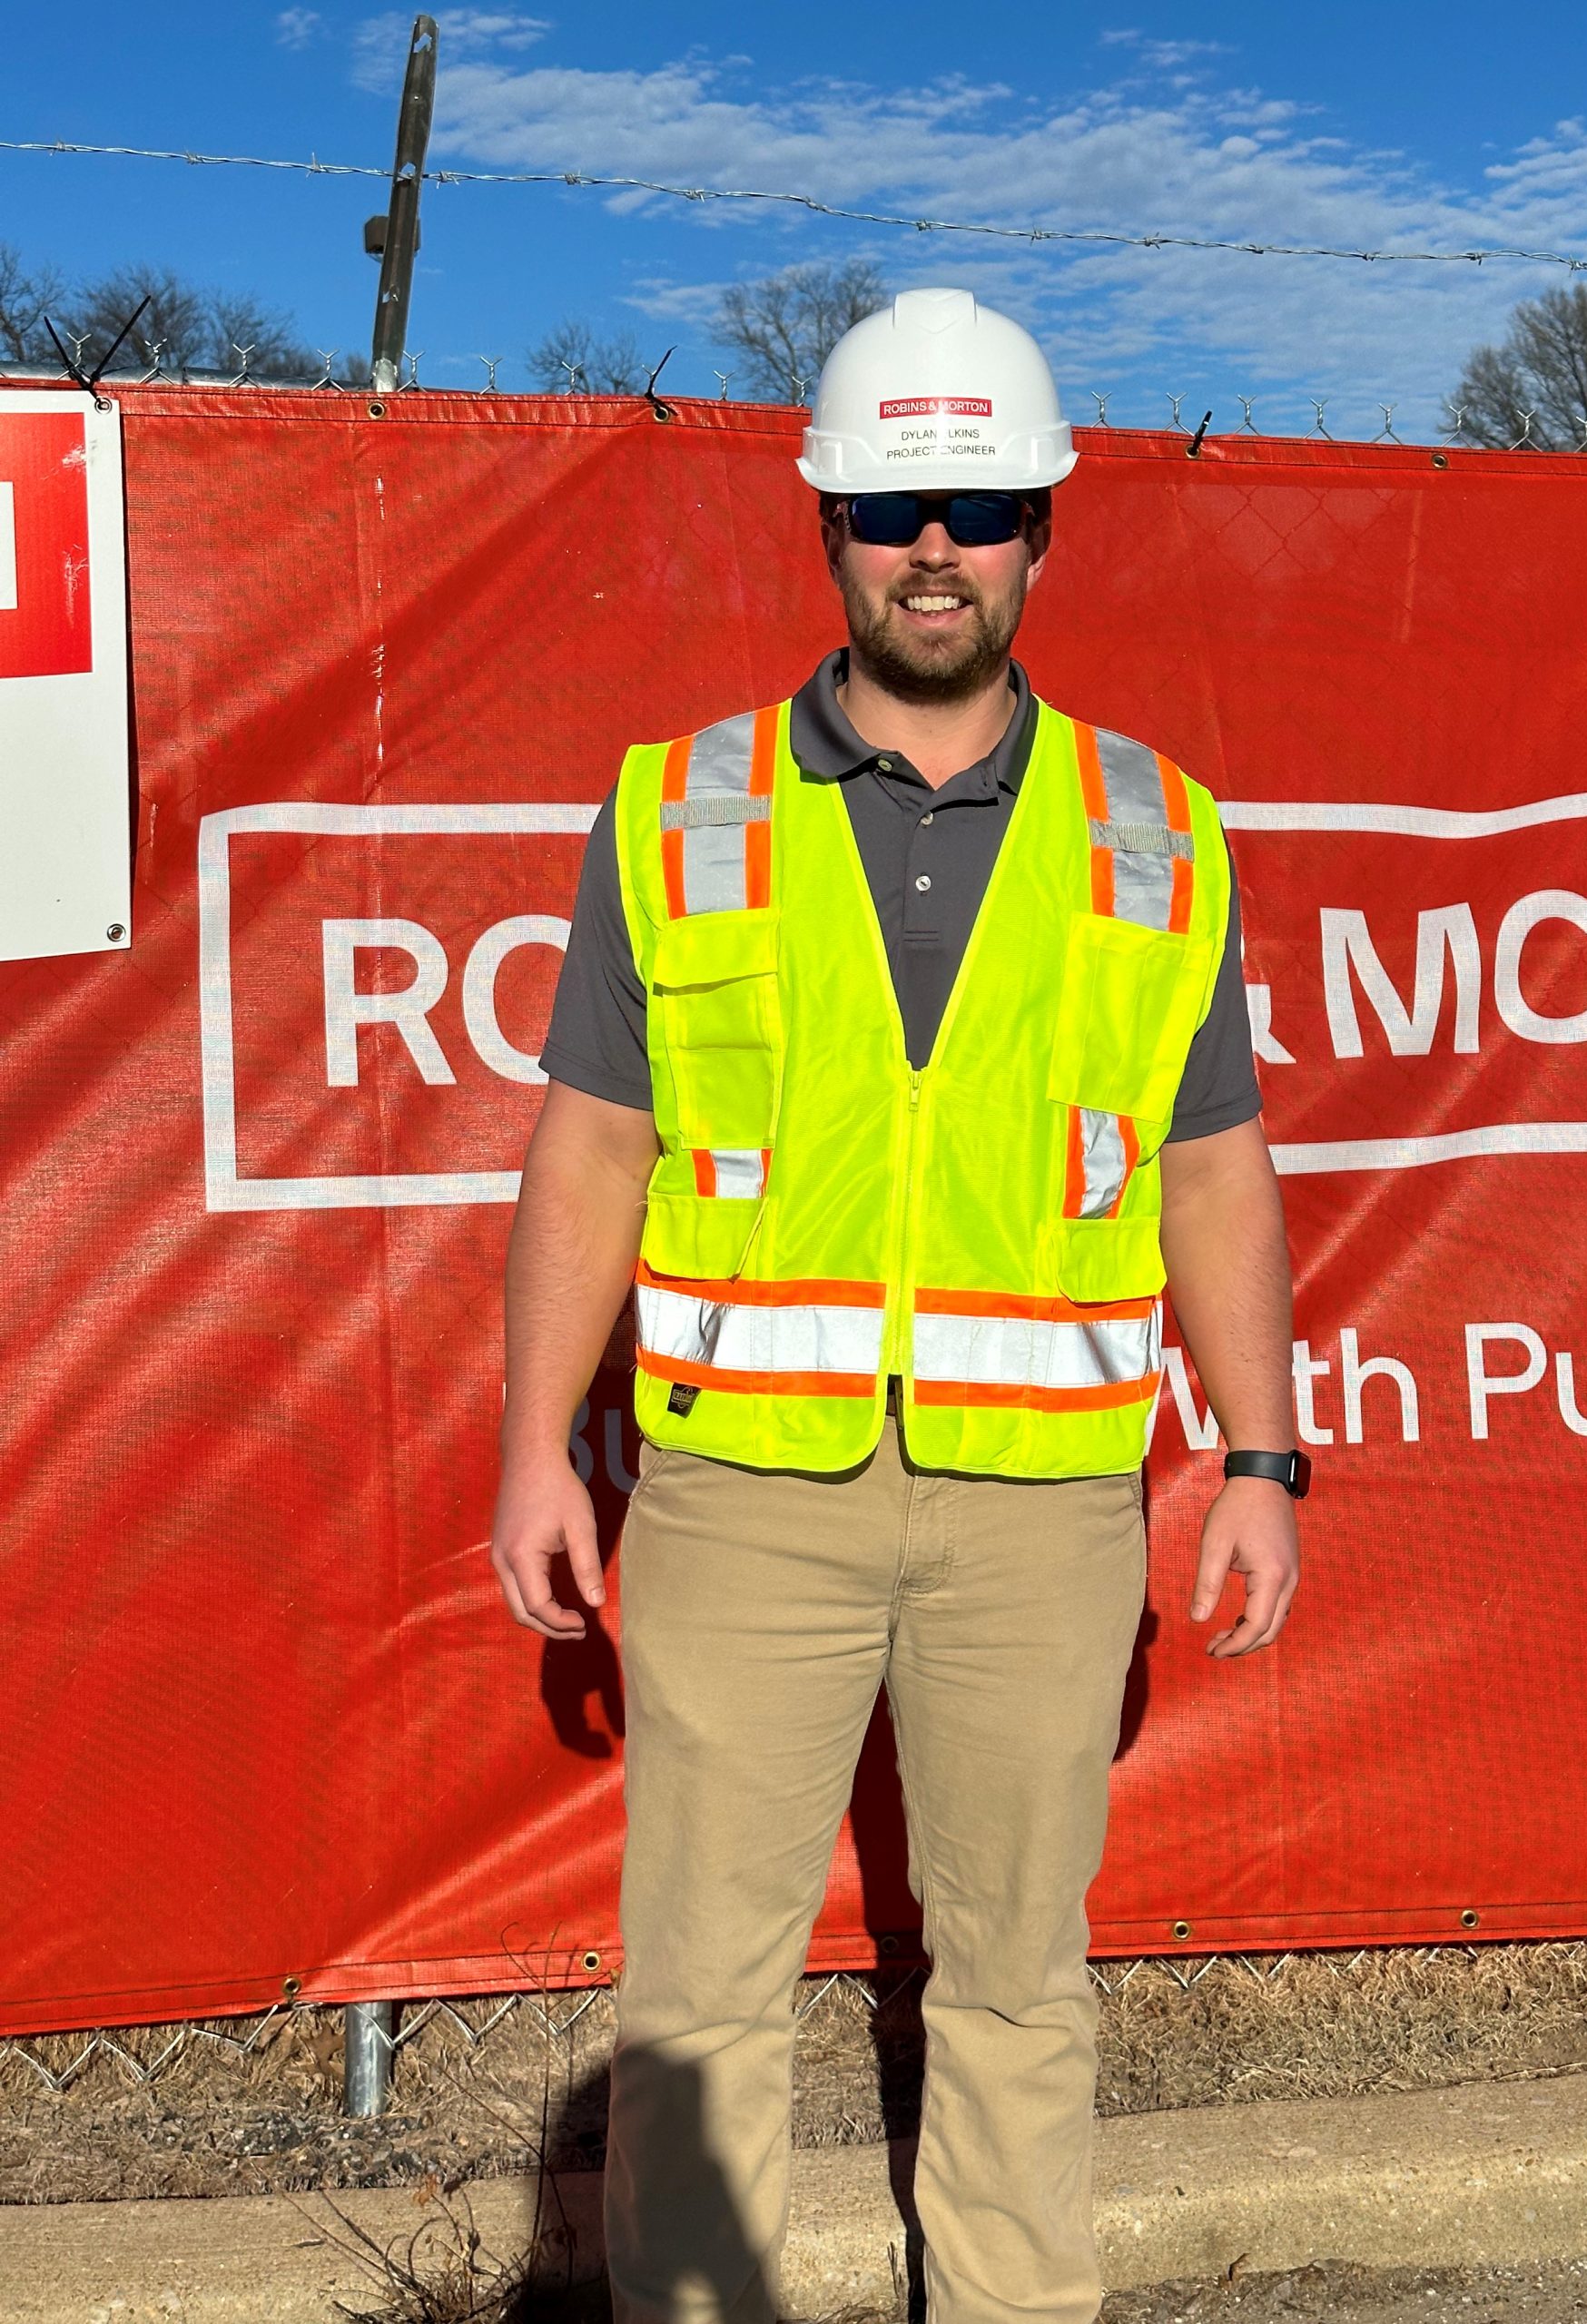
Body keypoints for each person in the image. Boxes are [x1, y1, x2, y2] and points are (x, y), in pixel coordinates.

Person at [491, 287, 1305, 2324]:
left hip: (1039, 1508)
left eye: (981, 504)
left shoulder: (1155, 828)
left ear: (1045, 527)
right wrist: (532, 1450)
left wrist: (1264, 1452)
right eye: (890, 506)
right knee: (700, 1994)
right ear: (826, 524)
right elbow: (591, 1147)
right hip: (744, 1496)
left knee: (1020, 1978)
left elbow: (1212, 1166)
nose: (933, 546)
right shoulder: (679, 809)